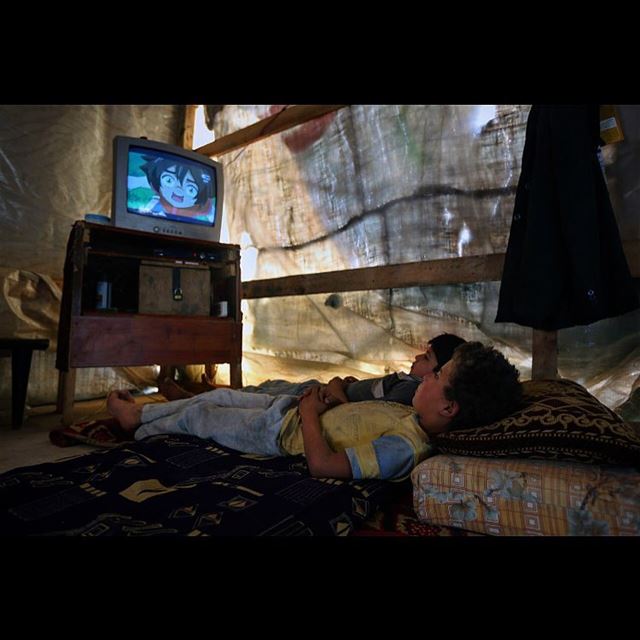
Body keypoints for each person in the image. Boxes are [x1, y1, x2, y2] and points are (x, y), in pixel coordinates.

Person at [107, 341, 522, 481]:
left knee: (203, 416)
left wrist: (309, 415)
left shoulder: (405, 448)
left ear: (449, 406)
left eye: (436, 376)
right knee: (215, 398)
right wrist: (319, 403)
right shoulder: (409, 417)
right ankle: (144, 414)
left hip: (280, 433)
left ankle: (138, 425)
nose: (425, 378)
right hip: (292, 409)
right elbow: (351, 420)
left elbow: (323, 465)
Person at [159, 333, 467, 407]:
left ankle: (191, 399)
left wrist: (336, 390)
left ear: (436, 373)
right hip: (331, 386)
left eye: (426, 358)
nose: (417, 356)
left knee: (261, 398)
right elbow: (372, 392)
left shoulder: (411, 392)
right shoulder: (405, 381)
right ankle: (209, 391)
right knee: (267, 384)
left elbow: (371, 413)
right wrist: (347, 381)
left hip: (325, 396)